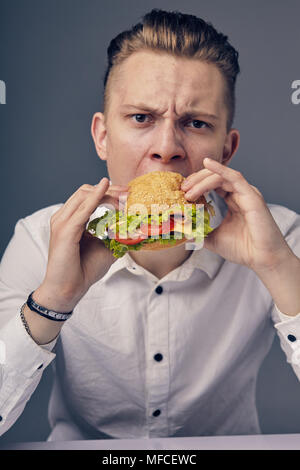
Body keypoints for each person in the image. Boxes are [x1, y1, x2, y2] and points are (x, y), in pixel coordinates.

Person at [0, 9, 300, 441]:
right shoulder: (40, 238)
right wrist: (55, 299)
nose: (166, 149)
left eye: (196, 123)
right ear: (102, 136)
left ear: (226, 150)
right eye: (141, 118)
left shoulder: (279, 238)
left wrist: (277, 267)